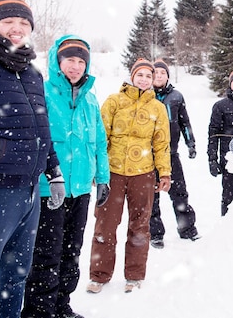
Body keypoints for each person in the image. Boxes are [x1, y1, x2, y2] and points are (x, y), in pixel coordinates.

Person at [0, 0, 65, 318]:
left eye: (24, 23)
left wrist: (53, 171)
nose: (18, 29)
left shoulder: (31, 73)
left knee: (15, 278)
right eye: (9, 21)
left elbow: (42, 130)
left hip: (28, 193)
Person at [21, 36, 110, 318]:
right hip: (50, 188)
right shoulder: (43, 93)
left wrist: (103, 178)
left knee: (72, 252)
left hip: (81, 188)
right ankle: (39, 310)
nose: (75, 66)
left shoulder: (91, 101)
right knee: (46, 254)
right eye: (70, 59)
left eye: (81, 61)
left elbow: (98, 143)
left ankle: (61, 305)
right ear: (58, 62)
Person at [86, 58, 171, 294]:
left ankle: (134, 275)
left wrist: (164, 172)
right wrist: (97, 170)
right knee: (105, 225)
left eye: (148, 75)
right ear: (132, 76)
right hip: (113, 173)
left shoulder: (158, 108)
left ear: (153, 80)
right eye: (140, 75)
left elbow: (162, 143)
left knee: (140, 225)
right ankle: (99, 275)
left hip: (143, 174)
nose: (144, 79)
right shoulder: (114, 101)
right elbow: (102, 138)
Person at [149, 59, 199, 248]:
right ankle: (155, 234)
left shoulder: (177, 97)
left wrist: (191, 143)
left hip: (171, 154)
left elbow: (184, 122)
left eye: (163, 73)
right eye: (156, 73)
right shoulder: (145, 96)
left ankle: (187, 229)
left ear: (168, 76)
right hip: (149, 155)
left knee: (179, 193)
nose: (159, 76)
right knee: (151, 196)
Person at [207, 69, 233, 216]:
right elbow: (213, 134)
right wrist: (212, 159)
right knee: (228, 199)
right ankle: (226, 229)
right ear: (230, 84)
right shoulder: (220, 106)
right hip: (229, 161)